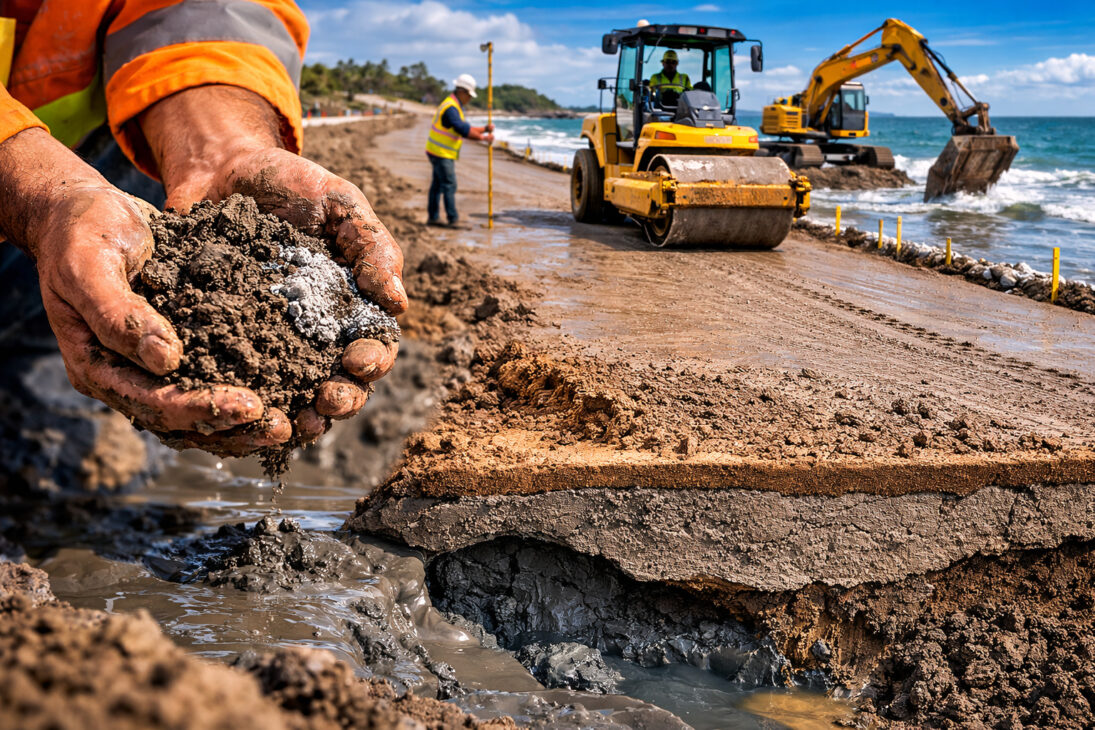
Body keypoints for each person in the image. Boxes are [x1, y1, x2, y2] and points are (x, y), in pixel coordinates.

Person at [0, 0, 405, 459]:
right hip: (33, 180)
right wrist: (36, 192)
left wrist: (224, 148)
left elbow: (195, 12)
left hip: (75, 180)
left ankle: (36, 414)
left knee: (84, 296)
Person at [425, 73, 494, 228]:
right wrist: (483, 138)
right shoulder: (451, 108)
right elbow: (462, 129)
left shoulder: (453, 105)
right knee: (449, 184)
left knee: (437, 185)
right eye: (469, 95)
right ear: (462, 91)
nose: (470, 99)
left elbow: (465, 127)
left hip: (436, 151)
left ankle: (433, 217)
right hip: (441, 153)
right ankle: (452, 219)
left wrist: (483, 129)